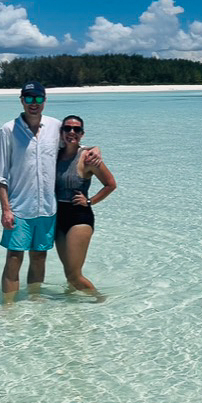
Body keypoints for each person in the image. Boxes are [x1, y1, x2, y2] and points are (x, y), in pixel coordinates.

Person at [0, 82, 100, 302]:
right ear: (21, 100)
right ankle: (9, 306)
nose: (34, 103)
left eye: (38, 99)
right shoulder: (8, 130)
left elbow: (73, 144)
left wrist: (94, 149)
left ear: (44, 101)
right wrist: (5, 209)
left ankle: (34, 298)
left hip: (48, 208)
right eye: (29, 98)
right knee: (14, 258)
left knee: (39, 257)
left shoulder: (54, 126)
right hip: (19, 207)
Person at [55, 115, 116, 299]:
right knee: (68, 273)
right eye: (67, 128)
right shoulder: (54, 155)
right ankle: (72, 305)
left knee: (75, 275)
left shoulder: (88, 158)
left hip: (79, 217)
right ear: (61, 132)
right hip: (58, 216)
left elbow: (110, 184)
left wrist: (90, 201)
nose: (71, 132)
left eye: (76, 129)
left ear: (82, 134)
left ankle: (100, 300)